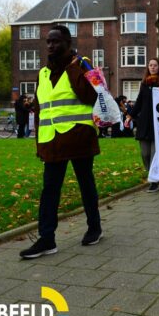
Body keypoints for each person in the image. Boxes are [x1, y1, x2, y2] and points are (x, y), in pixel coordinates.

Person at [20, 25, 102, 259]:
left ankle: (94, 228)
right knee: (50, 190)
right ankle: (47, 239)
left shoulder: (83, 64)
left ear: (68, 42)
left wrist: (74, 67)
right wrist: (39, 142)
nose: (50, 46)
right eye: (48, 42)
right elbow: (43, 108)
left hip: (79, 138)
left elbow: (91, 95)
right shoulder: (44, 73)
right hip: (53, 140)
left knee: (86, 185)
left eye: (55, 41)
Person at [124, 58, 159, 193]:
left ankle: (154, 180)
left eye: (155, 65)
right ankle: (151, 173)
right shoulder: (144, 84)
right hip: (144, 123)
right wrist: (130, 116)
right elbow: (139, 102)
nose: (153, 67)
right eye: (150, 65)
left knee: (154, 154)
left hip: (158, 124)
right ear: (148, 67)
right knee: (145, 153)